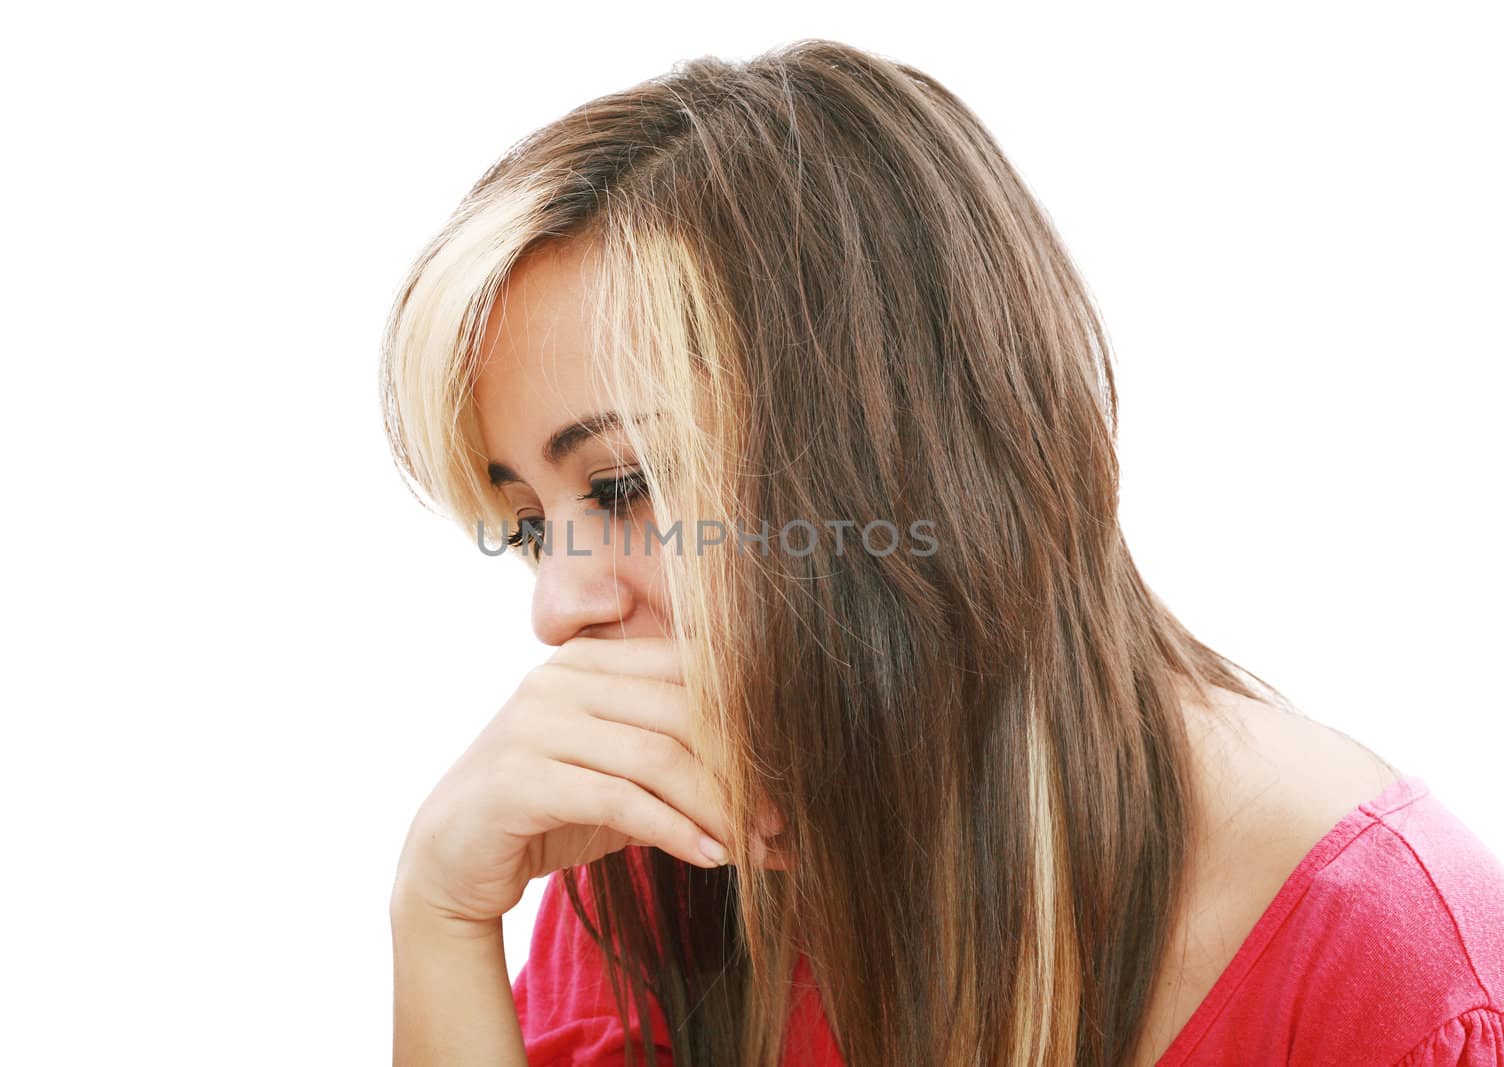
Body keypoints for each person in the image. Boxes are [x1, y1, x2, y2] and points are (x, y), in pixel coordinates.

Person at [379, 38, 1504, 1067]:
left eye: (625, 485)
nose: (556, 604)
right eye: (529, 521)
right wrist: (438, 913)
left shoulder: (1378, 951)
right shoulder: (660, 846)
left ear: (895, 452)